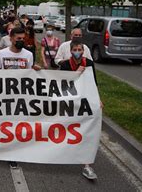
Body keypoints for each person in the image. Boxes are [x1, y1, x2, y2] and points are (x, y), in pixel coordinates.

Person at [0, 27, 41, 169]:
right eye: (18, 39)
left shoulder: (28, 54)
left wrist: (37, 71)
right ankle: (1, 149)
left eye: (23, 39)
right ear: (11, 38)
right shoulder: (2, 53)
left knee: (16, 125)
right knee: (3, 124)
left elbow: (30, 73)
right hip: (4, 96)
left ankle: (13, 154)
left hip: (20, 97)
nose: (21, 41)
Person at [59, 40, 102, 180]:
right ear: (71, 50)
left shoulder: (89, 63)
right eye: (75, 49)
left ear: (83, 51)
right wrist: (76, 73)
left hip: (84, 100)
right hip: (69, 101)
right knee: (66, 127)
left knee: (86, 129)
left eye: (80, 49)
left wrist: (98, 99)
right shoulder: (65, 64)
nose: (78, 51)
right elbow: (62, 85)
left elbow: (93, 82)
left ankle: (86, 165)